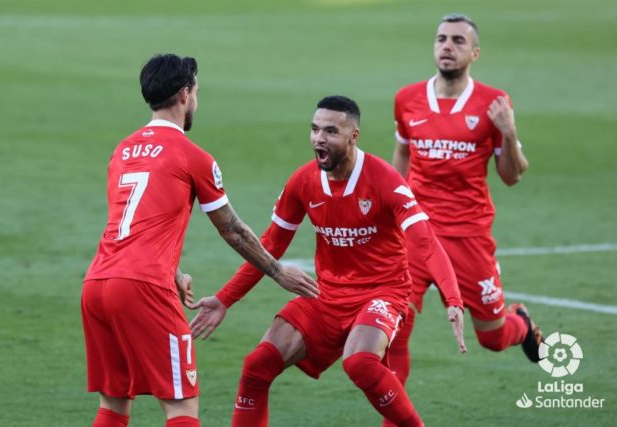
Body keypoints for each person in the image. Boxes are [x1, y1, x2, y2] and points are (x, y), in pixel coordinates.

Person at [189, 95, 467, 427]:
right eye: (315, 129)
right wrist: (223, 300)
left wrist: (452, 298)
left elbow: (426, 242)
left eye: (331, 131)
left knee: (360, 363)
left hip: (382, 293)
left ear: (354, 136)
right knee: (257, 366)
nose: (319, 138)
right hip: (326, 297)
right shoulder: (303, 182)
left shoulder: (385, 180)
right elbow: (269, 246)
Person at [80, 53, 318, 427]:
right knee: (180, 407)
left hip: (97, 284)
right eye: (197, 91)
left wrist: (171, 269)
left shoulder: (122, 150)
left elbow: (133, 222)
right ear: (184, 94)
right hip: (143, 287)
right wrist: (275, 270)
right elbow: (233, 229)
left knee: (113, 404)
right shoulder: (192, 156)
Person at [387, 14, 542, 425]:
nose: (447, 46)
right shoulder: (408, 99)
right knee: (395, 326)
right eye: (441, 39)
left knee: (492, 338)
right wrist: (393, 206)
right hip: (417, 234)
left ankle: (522, 326)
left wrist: (508, 133)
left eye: (458, 40)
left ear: (475, 53)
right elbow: (402, 153)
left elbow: (511, 175)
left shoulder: (493, 103)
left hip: (469, 237)